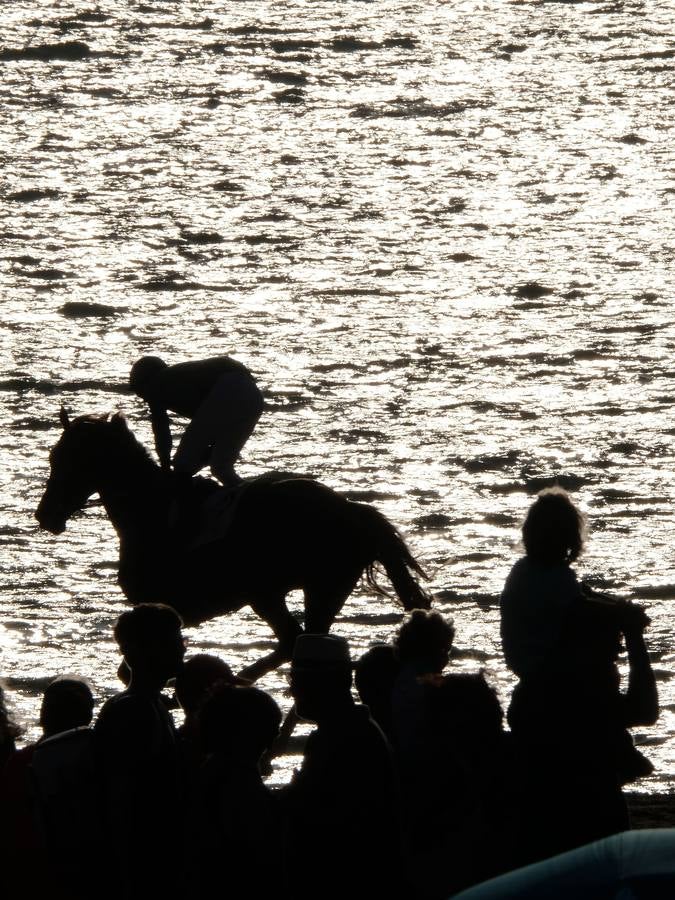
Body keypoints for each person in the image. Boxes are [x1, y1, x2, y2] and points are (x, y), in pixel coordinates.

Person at [500, 487, 658, 862]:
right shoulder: (557, 592)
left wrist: (616, 609)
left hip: (535, 693)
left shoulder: (528, 574)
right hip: (560, 695)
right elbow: (581, 607)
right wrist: (630, 623)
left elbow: (582, 597)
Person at [283, 634, 408, 900]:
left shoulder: (339, 739)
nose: (292, 691)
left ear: (322, 685)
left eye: (296, 681)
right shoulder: (356, 731)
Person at [94, 603, 187, 899]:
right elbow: (121, 799)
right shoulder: (135, 711)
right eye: (172, 642)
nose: (181, 649)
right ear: (137, 651)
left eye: (180, 641)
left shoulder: (151, 705)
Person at [183, 684, 284, 898]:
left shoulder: (212, 770)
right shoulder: (238, 782)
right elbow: (256, 847)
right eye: (271, 728)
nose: (275, 737)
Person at [128, 354, 264, 487]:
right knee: (220, 468)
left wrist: (165, 467)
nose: (143, 398)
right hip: (253, 394)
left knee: (182, 464)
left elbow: (161, 429)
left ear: (145, 381)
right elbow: (215, 423)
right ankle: (252, 498)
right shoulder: (179, 380)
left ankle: (182, 508)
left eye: (138, 390)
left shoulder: (156, 383)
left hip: (229, 385)